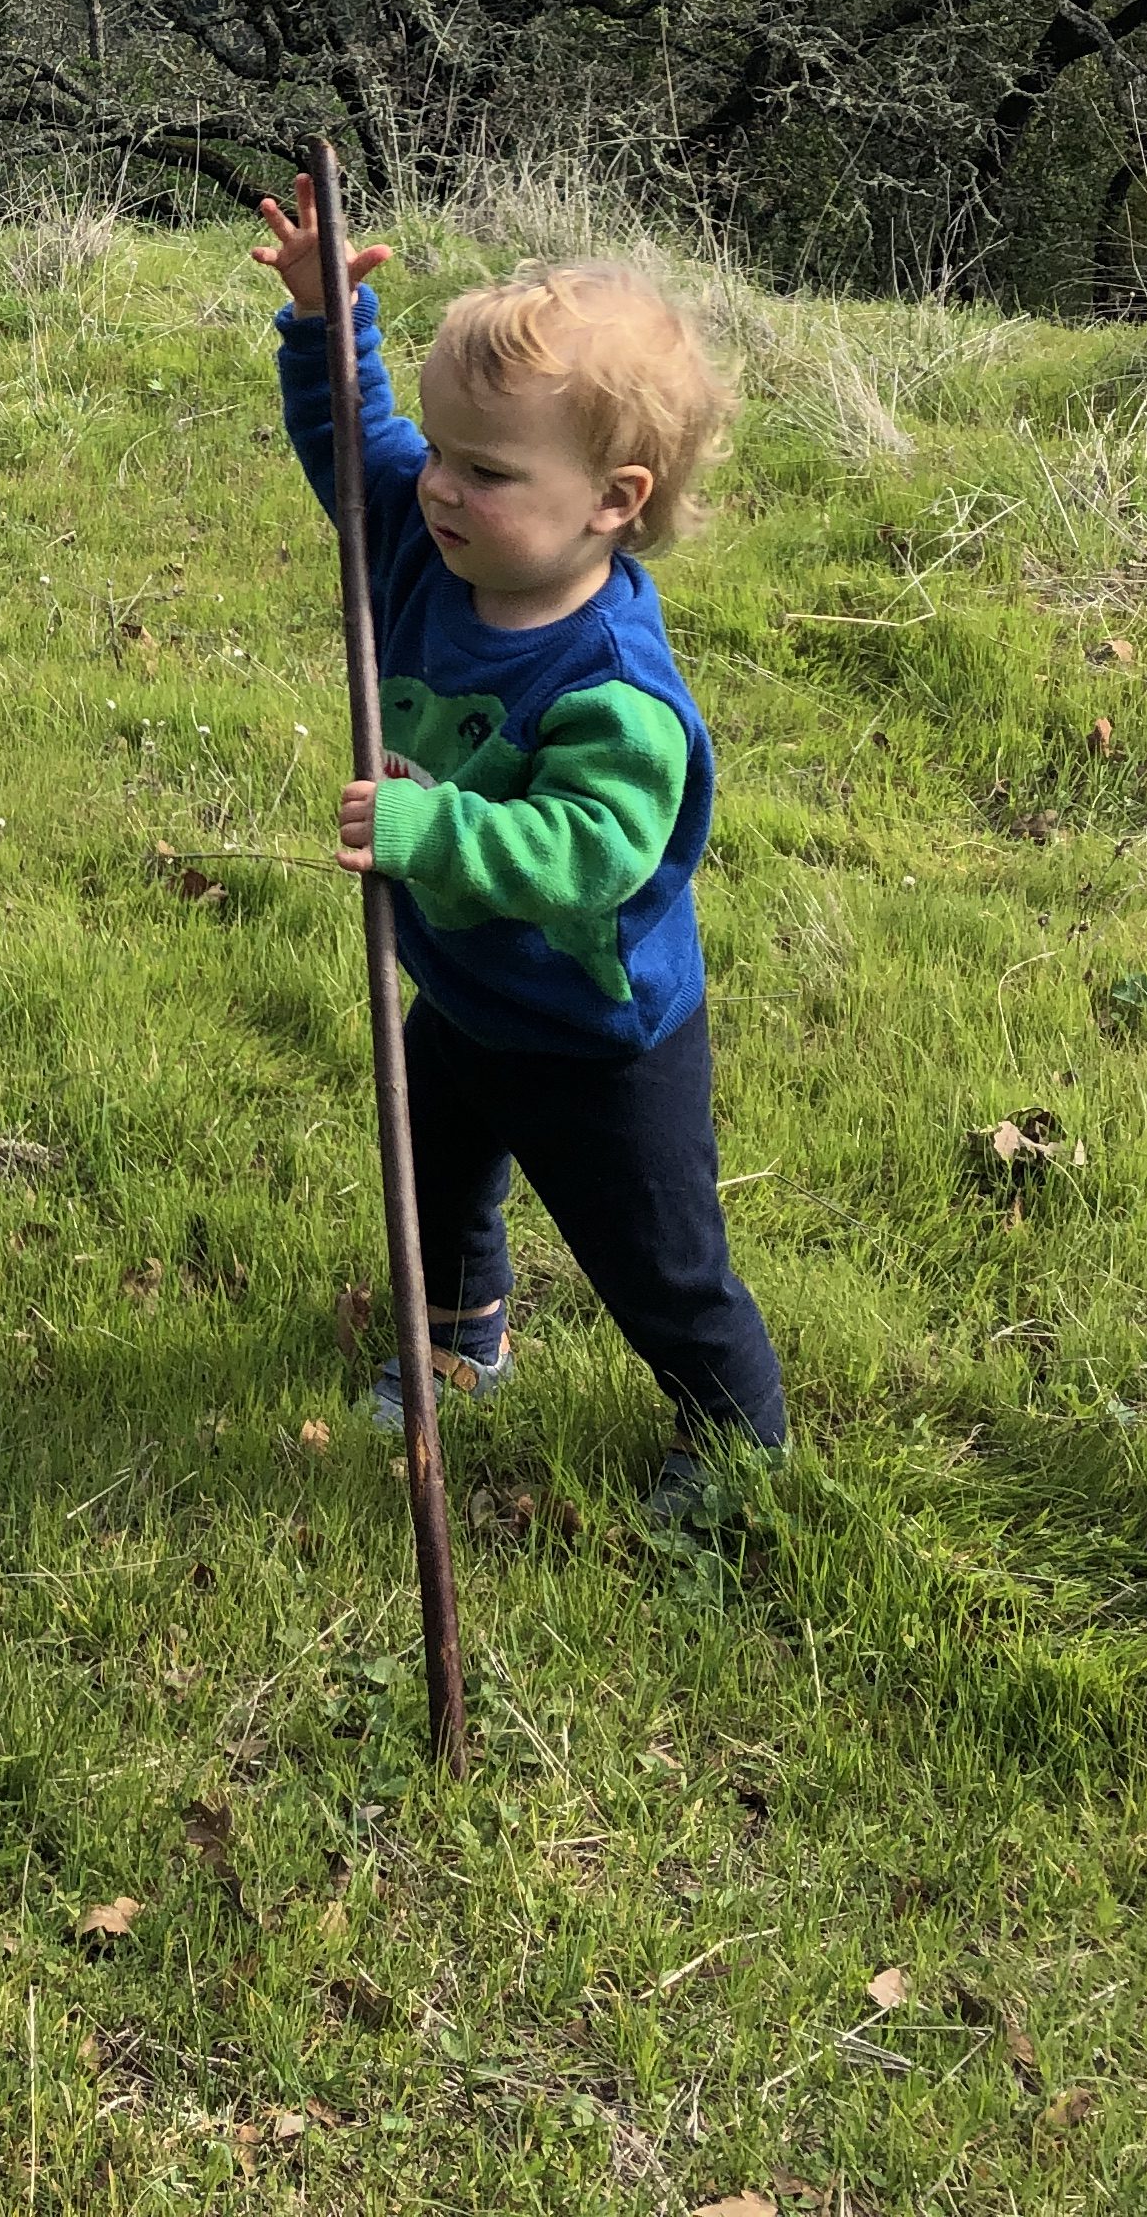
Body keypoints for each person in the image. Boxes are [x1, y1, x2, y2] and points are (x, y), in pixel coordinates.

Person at [252, 180, 786, 1518]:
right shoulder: (432, 551)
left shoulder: (615, 685)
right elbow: (354, 447)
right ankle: (457, 1332)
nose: (436, 484)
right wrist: (330, 322)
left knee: (659, 1259)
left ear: (613, 500)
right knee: (433, 1171)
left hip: (600, 1035)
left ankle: (736, 1441)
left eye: (485, 471)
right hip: (469, 996)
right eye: (444, 451)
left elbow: (591, 852)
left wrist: (433, 827)